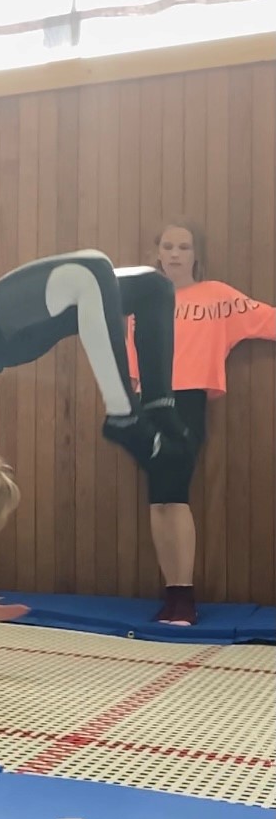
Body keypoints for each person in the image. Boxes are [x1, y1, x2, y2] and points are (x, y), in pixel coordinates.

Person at [0, 248, 190, 643]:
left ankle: (145, 410)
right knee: (91, 274)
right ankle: (137, 412)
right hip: (3, 336)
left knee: (149, 286)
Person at [126, 219, 276, 626]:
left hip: (187, 402)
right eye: (168, 247)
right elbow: (133, 367)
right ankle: (172, 594)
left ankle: (184, 598)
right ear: (157, 253)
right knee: (159, 500)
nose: (175, 254)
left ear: (196, 254)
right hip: (148, 406)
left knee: (175, 495)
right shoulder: (141, 305)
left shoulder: (217, 297)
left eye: (184, 247)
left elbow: (267, 320)